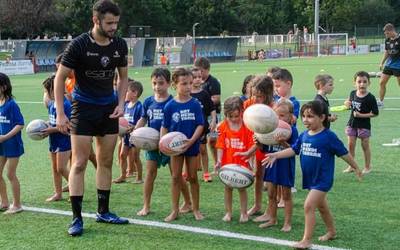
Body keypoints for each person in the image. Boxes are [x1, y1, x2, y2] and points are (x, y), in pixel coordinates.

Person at [54, 0, 129, 236]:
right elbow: (59, 79)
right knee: (79, 163)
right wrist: (60, 113)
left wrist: (120, 104)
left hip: (108, 109)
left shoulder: (119, 44)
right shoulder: (78, 45)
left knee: (106, 162)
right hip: (83, 109)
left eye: (116, 22)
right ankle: (76, 219)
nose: (113, 27)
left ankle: (103, 212)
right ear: (96, 20)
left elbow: (123, 77)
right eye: (109, 23)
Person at [262, 101, 362, 249]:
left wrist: (356, 167)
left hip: (323, 180)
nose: (305, 120)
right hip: (311, 180)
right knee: (322, 208)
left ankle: (306, 240)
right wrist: (276, 155)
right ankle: (332, 232)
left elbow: (344, 153)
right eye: (303, 116)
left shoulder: (329, 137)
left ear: (322, 117)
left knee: (308, 206)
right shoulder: (304, 135)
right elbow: (294, 150)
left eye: (310, 116)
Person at [161, 67, 204, 222]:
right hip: (175, 148)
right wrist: (163, 143)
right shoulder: (170, 106)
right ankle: (175, 210)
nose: (188, 87)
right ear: (175, 85)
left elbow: (200, 125)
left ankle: (196, 209)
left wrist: (192, 140)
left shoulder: (195, 104)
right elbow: (165, 126)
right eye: (184, 83)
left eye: (190, 83)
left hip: (191, 145)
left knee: (192, 177)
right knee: (175, 177)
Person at [254, 99, 298, 232]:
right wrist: (259, 143)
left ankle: (287, 223)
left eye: (282, 115)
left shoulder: (292, 130)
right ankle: (272, 219)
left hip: (285, 166)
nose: (279, 119)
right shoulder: (269, 129)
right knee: (271, 194)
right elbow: (265, 149)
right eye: (276, 115)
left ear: (291, 116)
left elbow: (295, 150)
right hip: (271, 165)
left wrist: (283, 142)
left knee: (286, 195)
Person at [136, 68, 172, 217]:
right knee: (150, 174)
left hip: (169, 145)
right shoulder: (148, 101)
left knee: (176, 176)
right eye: (155, 83)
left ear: (169, 83)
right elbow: (143, 119)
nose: (158, 86)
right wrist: (135, 132)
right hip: (151, 144)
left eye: (161, 83)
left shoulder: (172, 102)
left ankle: (188, 202)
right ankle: (146, 205)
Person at [215, 96, 254, 223]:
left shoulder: (247, 126)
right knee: (228, 188)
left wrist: (251, 162)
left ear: (242, 112)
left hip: (242, 164)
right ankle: (228, 212)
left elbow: (252, 146)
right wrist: (219, 161)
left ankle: (244, 212)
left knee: (242, 188)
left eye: (236, 116)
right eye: (230, 116)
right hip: (228, 163)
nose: (233, 119)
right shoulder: (223, 127)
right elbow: (220, 145)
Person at [242, 75, 275, 216]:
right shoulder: (248, 104)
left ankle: (272, 206)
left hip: (269, 145)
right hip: (253, 143)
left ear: (268, 94)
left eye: (260, 96)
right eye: (254, 94)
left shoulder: (273, 107)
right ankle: (257, 205)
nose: (256, 98)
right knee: (258, 173)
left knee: (272, 177)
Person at [41, 75, 71, 202]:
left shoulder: (66, 105)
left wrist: (51, 129)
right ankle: (58, 193)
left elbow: (69, 126)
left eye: (49, 91)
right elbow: (54, 121)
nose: (47, 94)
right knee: (55, 168)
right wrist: (46, 124)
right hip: (53, 140)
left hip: (64, 140)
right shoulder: (53, 104)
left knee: (61, 168)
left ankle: (76, 188)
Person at [343, 71, 379, 174]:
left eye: (364, 82)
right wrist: (346, 103)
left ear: (369, 83)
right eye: (359, 82)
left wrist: (361, 115)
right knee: (350, 145)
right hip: (352, 124)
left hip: (364, 126)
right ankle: (351, 166)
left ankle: (367, 167)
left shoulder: (370, 97)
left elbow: (375, 113)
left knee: (365, 146)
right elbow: (348, 102)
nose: (362, 84)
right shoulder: (353, 93)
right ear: (355, 83)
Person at [0, 73, 24, 214]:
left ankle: (17, 204)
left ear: (3, 87)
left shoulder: (11, 105)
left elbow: (20, 124)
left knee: (10, 174)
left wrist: (5, 137)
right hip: (1, 145)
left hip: (12, 144)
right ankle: (4, 202)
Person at [113, 79, 144, 184]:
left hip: (136, 136)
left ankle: (139, 178)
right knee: (122, 155)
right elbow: (123, 120)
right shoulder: (126, 105)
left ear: (134, 93)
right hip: (126, 136)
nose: (125, 93)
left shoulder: (139, 106)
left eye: (127, 91)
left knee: (136, 157)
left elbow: (142, 121)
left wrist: (134, 127)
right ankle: (123, 176)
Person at [190, 67, 216, 182]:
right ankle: (188, 172)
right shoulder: (187, 94)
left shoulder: (204, 94)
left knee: (203, 149)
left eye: (199, 77)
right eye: (194, 77)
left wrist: (214, 120)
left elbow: (212, 108)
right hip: (189, 127)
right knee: (189, 151)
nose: (197, 79)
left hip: (201, 127)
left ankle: (206, 173)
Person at [194, 57, 221, 166]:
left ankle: (216, 164)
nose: (199, 74)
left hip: (212, 114)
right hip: (199, 116)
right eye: (197, 71)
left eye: (201, 71)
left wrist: (203, 101)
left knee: (212, 141)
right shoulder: (194, 82)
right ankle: (198, 164)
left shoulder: (213, 82)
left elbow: (216, 98)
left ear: (207, 70)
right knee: (198, 139)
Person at [378, 23, 400, 107]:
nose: (386, 35)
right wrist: (382, 62)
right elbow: (387, 52)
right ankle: (380, 102)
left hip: (398, 66)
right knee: (382, 83)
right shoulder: (387, 40)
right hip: (389, 65)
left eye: (387, 33)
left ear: (392, 31)